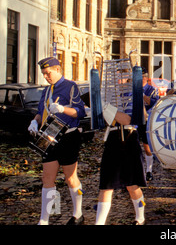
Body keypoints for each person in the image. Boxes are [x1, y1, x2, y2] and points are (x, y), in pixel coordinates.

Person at [28, 57, 86, 225]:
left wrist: (63, 109)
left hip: (68, 135)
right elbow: (40, 111)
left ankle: (78, 214)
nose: (46, 76)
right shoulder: (46, 91)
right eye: (44, 74)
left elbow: (80, 112)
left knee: (70, 178)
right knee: (47, 178)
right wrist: (34, 121)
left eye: (48, 73)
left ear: (58, 70)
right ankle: (44, 220)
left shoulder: (70, 86)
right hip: (48, 134)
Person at [95, 70, 147, 225]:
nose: (117, 81)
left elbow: (126, 119)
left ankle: (140, 217)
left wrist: (104, 107)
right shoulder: (108, 95)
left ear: (127, 78)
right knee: (106, 185)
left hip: (129, 138)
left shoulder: (133, 95)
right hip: (112, 138)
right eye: (114, 77)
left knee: (132, 184)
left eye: (121, 77)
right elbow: (101, 121)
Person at [138, 68, 160, 181]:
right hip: (134, 121)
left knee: (147, 147)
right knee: (134, 148)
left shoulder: (151, 89)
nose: (140, 79)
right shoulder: (132, 88)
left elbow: (154, 103)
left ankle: (149, 170)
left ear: (146, 77)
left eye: (142, 76)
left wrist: (142, 95)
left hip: (146, 121)